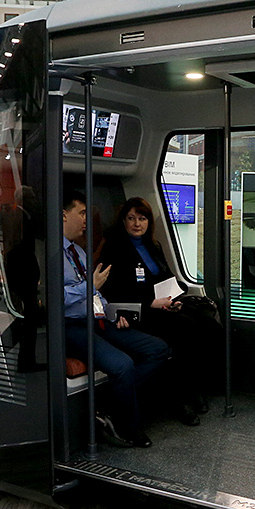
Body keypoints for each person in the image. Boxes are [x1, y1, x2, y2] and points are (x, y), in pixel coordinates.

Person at [63, 191, 169, 447]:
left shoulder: (79, 251)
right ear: (64, 215)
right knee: (123, 365)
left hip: (99, 317)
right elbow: (56, 298)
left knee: (158, 349)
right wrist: (89, 286)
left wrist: (113, 313)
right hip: (71, 325)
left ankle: (107, 407)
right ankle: (128, 427)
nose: (87, 219)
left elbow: (97, 293)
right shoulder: (52, 254)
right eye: (82, 213)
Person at [97, 196, 211, 426]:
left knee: (202, 324)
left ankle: (192, 387)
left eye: (142, 218)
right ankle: (180, 398)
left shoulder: (153, 246)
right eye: (131, 218)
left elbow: (168, 278)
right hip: (138, 311)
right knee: (183, 330)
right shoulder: (114, 248)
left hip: (162, 306)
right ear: (123, 221)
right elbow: (112, 292)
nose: (137, 224)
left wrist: (174, 300)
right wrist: (151, 302)